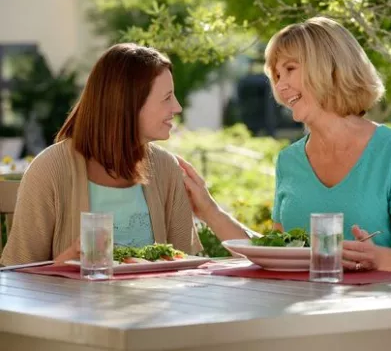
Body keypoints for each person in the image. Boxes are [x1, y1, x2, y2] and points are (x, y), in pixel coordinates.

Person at [178, 16, 391, 274]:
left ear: (330, 67)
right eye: (277, 75)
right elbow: (276, 252)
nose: (280, 85)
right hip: (299, 305)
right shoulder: (289, 160)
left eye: (290, 69)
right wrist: (209, 210)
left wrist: (377, 257)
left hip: (375, 307)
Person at [1, 43, 238, 266]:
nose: (177, 107)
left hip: (155, 308)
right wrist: (64, 263)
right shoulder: (51, 169)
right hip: (72, 307)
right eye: (167, 98)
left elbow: (185, 265)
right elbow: (19, 278)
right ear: (128, 104)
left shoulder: (166, 168)